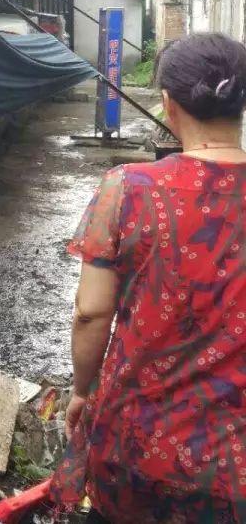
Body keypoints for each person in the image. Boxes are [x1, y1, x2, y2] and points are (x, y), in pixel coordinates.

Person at [50, 33, 246, 523]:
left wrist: (81, 389)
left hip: (137, 442)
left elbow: (91, 311)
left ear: (168, 103)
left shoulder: (128, 188)